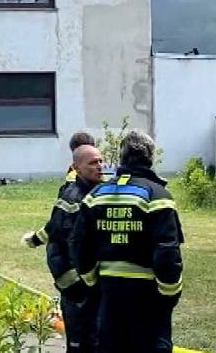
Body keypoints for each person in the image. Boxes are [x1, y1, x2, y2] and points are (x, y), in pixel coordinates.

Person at [71, 130, 183, 353]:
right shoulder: (158, 195)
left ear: (122, 157)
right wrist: (169, 294)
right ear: (150, 157)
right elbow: (167, 251)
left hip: (108, 293)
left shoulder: (96, 194)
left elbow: (78, 243)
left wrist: (93, 281)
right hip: (147, 295)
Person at [23, 132, 104, 352]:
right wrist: (76, 284)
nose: (99, 167)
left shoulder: (99, 190)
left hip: (90, 281)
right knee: (80, 339)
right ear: (76, 166)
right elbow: (58, 233)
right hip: (75, 282)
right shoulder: (71, 194)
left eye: (100, 161)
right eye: (92, 162)